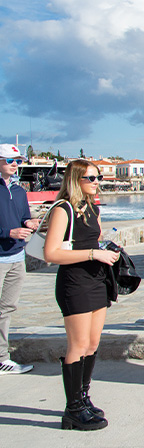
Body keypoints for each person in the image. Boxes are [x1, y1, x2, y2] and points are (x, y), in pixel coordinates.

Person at [44, 160, 120, 430]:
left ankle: (83, 397)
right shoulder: (62, 209)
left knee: (92, 343)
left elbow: (92, 241)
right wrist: (92, 254)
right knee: (77, 344)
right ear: (76, 180)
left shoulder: (92, 208)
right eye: (90, 178)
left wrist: (106, 250)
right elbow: (51, 253)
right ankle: (72, 409)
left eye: (98, 177)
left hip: (96, 279)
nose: (97, 181)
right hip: (74, 282)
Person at [0, 144, 40, 375]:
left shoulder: (19, 191)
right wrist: (9, 233)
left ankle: (2, 357)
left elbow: (24, 216)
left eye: (17, 161)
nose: (15, 165)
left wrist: (28, 223)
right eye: (10, 161)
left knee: (7, 308)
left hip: (17, 255)